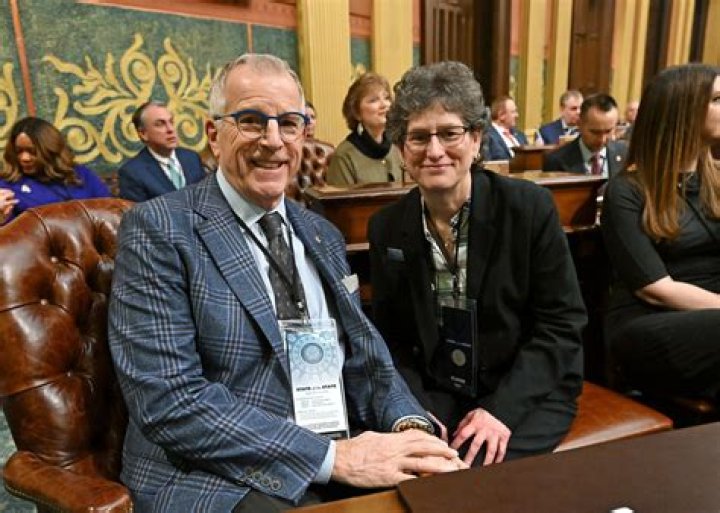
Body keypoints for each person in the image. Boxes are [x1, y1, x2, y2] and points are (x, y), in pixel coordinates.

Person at [108, 53, 464, 513]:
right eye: (252, 121)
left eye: (289, 124)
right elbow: (170, 402)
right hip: (214, 472)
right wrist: (333, 458)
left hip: (332, 441)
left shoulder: (321, 233)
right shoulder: (158, 228)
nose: (274, 141)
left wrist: (407, 427)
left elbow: (364, 356)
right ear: (214, 134)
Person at [368, 61, 586, 467]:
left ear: (476, 139)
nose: (435, 151)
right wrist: (413, 407)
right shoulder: (386, 226)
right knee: (414, 464)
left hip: (524, 387)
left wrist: (500, 411)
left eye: (449, 133)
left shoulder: (529, 208)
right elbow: (390, 338)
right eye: (419, 137)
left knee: (472, 470)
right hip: (438, 388)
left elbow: (561, 326)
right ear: (401, 148)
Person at [601, 63, 720, 402]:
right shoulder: (626, 191)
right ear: (683, 111)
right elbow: (655, 289)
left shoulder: (715, 181)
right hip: (651, 322)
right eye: (716, 99)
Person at [0, 117, 110, 225]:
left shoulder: (79, 174)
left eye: (32, 151)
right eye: (18, 151)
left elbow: (109, 210)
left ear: (50, 150)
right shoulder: (7, 186)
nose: (24, 158)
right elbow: (9, 231)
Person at [118, 101, 205, 201]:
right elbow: (138, 210)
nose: (170, 129)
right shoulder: (132, 173)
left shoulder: (192, 158)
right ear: (143, 134)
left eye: (171, 122)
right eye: (160, 124)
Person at [326, 72, 403, 186]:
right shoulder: (344, 157)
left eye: (387, 98)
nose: (384, 105)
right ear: (356, 112)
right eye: (373, 100)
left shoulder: (396, 149)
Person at [543, 93, 627, 177]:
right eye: (595, 132)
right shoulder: (556, 160)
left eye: (608, 131)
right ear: (579, 124)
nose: (602, 139)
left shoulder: (626, 154)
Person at [484, 95, 529, 161]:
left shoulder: (521, 135)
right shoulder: (487, 136)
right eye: (513, 112)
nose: (517, 115)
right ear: (501, 115)